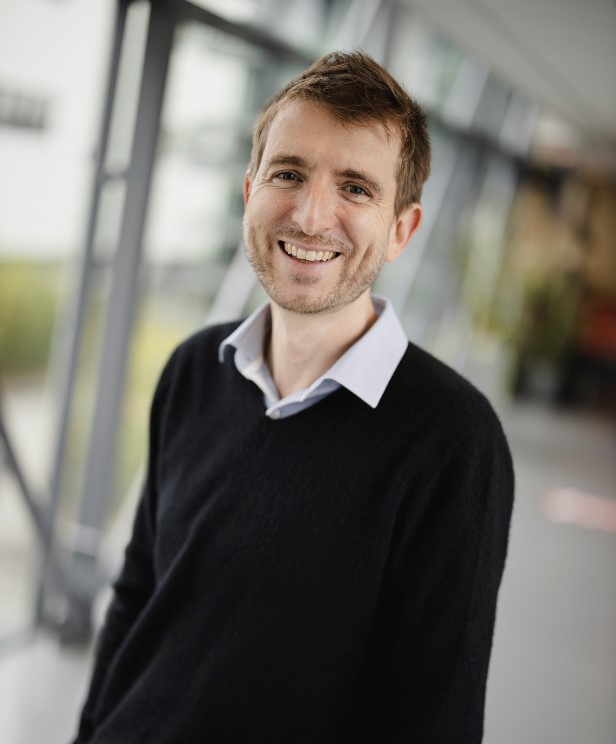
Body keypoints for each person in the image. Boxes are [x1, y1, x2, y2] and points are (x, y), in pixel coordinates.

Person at [73, 50, 514, 744]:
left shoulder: (453, 442)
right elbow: (138, 597)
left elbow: (431, 719)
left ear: (401, 230)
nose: (311, 217)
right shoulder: (195, 368)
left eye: (356, 189)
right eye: (289, 174)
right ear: (250, 190)